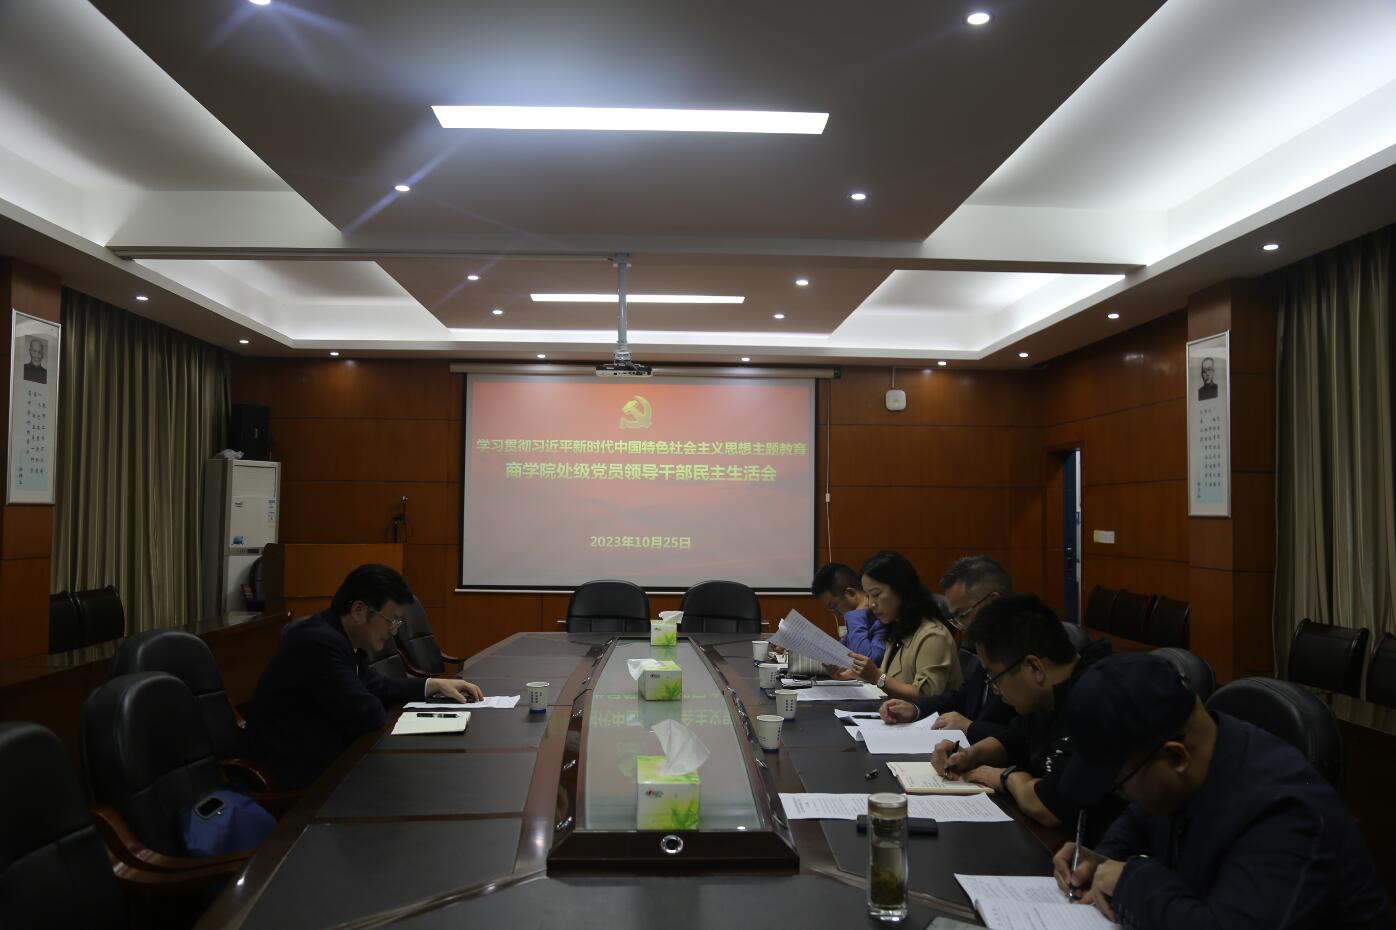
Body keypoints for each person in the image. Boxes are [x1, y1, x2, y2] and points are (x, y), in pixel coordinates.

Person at [1052, 654, 1392, 930]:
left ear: (1176, 757)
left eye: (1119, 784)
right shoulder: (1194, 759)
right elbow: (1140, 817)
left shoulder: (1285, 812)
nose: (1121, 796)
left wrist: (1130, 880)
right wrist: (1101, 861)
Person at [246, 563, 482, 789]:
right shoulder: (318, 642)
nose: (394, 631)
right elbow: (366, 713)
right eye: (391, 620)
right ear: (359, 610)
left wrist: (431, 684)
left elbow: (376, 685)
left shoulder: (340, 636)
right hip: (301, 777)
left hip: (331, 758)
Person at [929, 593, 1119, 837]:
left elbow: (1049, 806)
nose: (996, 690)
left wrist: (1004, 777)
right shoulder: (1049, 694)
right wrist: (970, 755)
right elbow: (1016, 737)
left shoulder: (1096, 698)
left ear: (1034, 667)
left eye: (994, 678)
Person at [878, 555, 1016, 743]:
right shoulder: (989, 644)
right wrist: (915, 709)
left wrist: (971, 727)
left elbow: (1025, 736)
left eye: (963, 615)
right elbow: (964, 696)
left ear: (992, 602)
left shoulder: (1023, 651)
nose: (962, 627)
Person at [829, 550, 963, 700]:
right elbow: (891, 677)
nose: (871, 604)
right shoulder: (897, 627)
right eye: (868, 596)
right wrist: (856, 674)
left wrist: (877, 676)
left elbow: (927, 695)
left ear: (900, 589)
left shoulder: (933, 635)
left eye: (876, 594)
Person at [811, 562, 886, 665]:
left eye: (833, 606)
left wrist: (855, 615)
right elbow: (838, 652)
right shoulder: (861, 619)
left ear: (851, 593)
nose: (834, 613)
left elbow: (866, 661)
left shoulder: (880, 618)